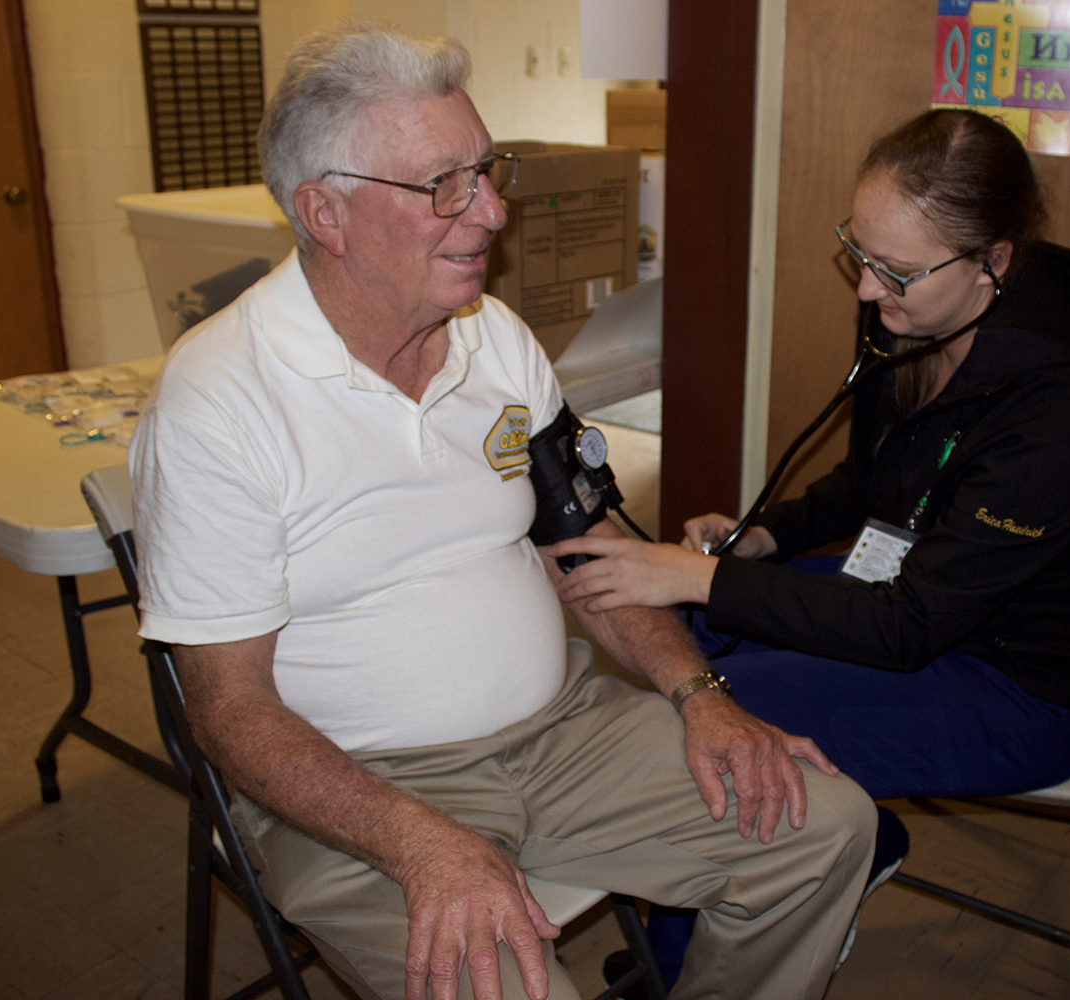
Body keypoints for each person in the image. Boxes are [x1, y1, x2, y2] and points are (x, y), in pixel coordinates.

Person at [129, 22, 874, 1000]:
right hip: (362, 787)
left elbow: (588, 541)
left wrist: (702, 697)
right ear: (327, 212)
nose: (489, 212)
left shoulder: (496, 339)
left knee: (826, 826)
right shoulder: (218, 402)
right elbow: (226, 709)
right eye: (444, 184)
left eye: (487, 170)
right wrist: (416, 839)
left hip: (563, 728)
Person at [550, 108, 1070, 983]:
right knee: (696, 641)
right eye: (858, 253)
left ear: (996, 262)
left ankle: (684, 971)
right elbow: (873, 486)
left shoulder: (1065, 418)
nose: (867, 291)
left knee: (718, 728)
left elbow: (904, 628)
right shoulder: (911, 318)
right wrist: (765, 536)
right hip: (918, 601)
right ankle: (859, 833)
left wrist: (692, 576)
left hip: (1026, 688)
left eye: (896, 270)